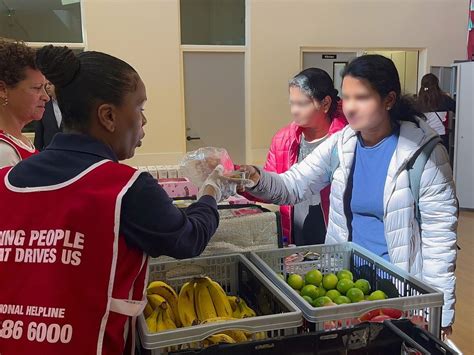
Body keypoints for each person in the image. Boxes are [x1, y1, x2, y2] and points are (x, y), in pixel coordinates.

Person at [0, 45, 236, 354]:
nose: (143, 121)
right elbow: (188, 238)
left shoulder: (7, 179)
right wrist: (211, 190)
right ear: (109, 116)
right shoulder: (125, 188)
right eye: (139, 108)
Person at [240, 55, 458, 337]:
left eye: (362, 98)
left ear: (389, 99)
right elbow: (293, 185)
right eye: (346, 98)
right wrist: (251, 176)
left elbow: (440, 240)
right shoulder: (341, 145)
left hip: (398, 291)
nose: (351, 108)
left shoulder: (424, 154)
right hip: (347, 285)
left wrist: (440, 313)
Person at [262, 68, 346, 246]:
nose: (294, 110)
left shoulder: (347, 140)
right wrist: (239, 177)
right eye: (292, 103)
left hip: (336, 239)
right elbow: (270, 188)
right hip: (296, 239)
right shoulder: (283, 140)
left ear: (325, 104)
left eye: (302, 104)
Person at [0, 39, 48, 167]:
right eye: (37, 88)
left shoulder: (21, 141)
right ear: (3, 90)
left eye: (45, 87)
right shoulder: (4, 152)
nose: (46, 97)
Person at [416, 73, 456, 151]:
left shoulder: (417, 102)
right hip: (441, 138)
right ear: (436, 85)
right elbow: (459, 109)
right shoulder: (445, 99)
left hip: (424, 137)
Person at [34, 81, 63, 150]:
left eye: (50, 84)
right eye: (46, 85)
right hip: (49, 152)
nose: (47, 87)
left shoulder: (71, 104)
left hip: (69, 153)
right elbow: (39, 133)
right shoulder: (42, 105)